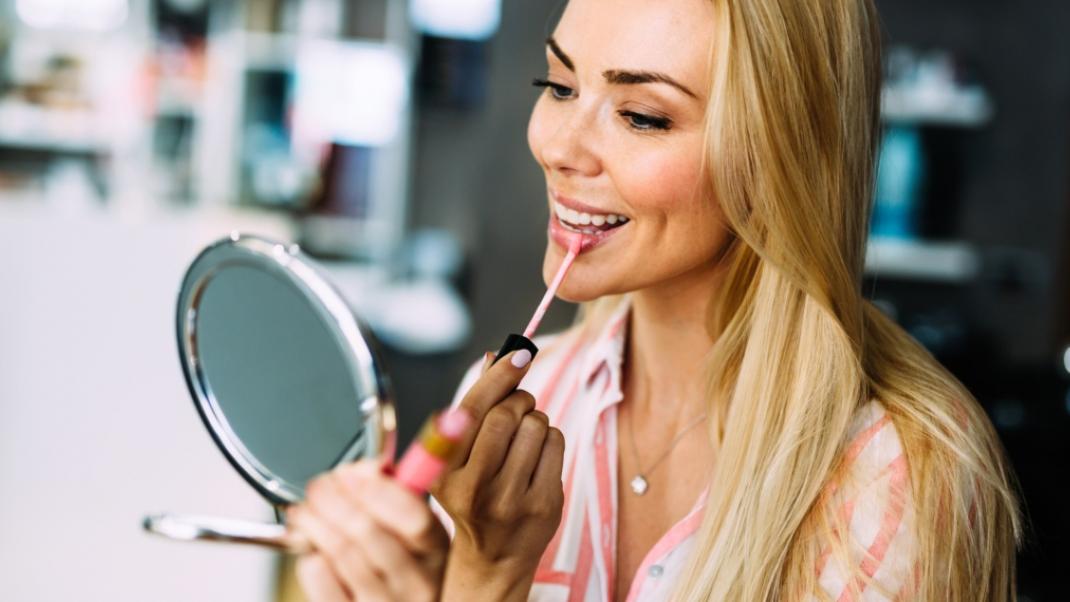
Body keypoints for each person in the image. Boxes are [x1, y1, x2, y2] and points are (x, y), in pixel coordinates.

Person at [286, 0, 1022, 600]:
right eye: (560, 86)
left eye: (643, 115)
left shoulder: (899, 474)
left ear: (780, 155)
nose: (560, 147)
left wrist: (487, 581)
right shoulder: (538, 394)